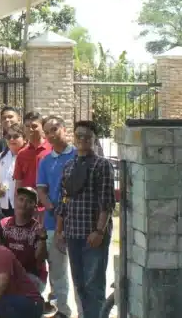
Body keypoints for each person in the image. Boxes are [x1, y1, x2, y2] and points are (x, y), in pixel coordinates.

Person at [55, 120, 115, 318]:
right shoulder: (69, 166)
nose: (82, 140)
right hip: (73, 233)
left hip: (93, 235)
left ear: (94, 139)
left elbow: (106, 202)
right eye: (78, 135)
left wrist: (99, 231)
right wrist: (59, 230)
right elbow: (64, 201)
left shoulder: (102, 165)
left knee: (94, 285)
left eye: (86, 136)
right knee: (79, 284)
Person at [36, 116, 75, 318]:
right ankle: (63, 310)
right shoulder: (45, 161)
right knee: (58, 269)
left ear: (64, 128)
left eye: (55, 129)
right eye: (47, 132)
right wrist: (51, 206)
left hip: (78, 222)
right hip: (53, 222)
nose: (51, 135)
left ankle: (85, 312)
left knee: (79, 270)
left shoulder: (78, 155)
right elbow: (41, 189)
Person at [0, 187, 48, 297]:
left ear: (35, 208)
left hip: (32, 276)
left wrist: (43, 238)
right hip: (8, 274)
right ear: (15, 201)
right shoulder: (3, 224)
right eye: (21, 199)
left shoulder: (38, 229)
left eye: (29, 201)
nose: (24, 204)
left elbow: (40, 259)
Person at [13, 112, 51, 198]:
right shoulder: (22, 154)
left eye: (34, 126)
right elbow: (18, 183)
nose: (30, 129)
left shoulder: (52, 149)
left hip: (48, 203)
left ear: (42, 128)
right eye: (27, 126)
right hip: (28, 204)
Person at [0, 126, 27, 217]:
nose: (11, 139)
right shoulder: (2, 156)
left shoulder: (27, 156)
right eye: (8, 137)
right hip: (4, 204)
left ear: (25, 139)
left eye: (15, 136)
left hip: (22, 204)